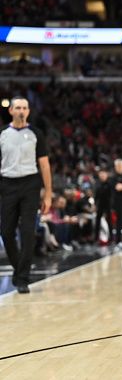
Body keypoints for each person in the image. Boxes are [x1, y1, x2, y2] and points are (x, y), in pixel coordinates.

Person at [0, 96, 52, 294]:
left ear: (28, 111)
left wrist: (48, 194)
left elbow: (45, 165)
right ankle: (18, 268)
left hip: (30, 183)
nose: (21, 110)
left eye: (25, 107)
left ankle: (22, 278)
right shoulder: (3, 134)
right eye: (18, 107)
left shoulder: (36, 133)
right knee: (6, 232)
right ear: (11, 111)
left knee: (28, 231)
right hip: (8, 183)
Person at [94, 168, 112, 243]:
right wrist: (95, 204)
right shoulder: (97, 184)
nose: (102, 176)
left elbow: (112, 195)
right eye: (101, 175)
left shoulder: (110, 183)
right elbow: (96, 196)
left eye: (103, 174)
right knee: (97, 221)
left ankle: (111, 238)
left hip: (108, 205)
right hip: (100, 205)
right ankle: (96, 238)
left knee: (109, 221)